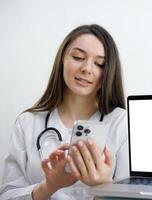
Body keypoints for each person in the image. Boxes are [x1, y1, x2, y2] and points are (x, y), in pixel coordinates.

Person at [0, 24, 129, 200]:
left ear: (109, 71)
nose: (87, 69)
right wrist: (48, 187)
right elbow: (7, 195)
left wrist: (102, 186)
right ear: (62, 59)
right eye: (78, 57)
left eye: (100, 63)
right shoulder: (27, 123)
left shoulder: (123, 123)